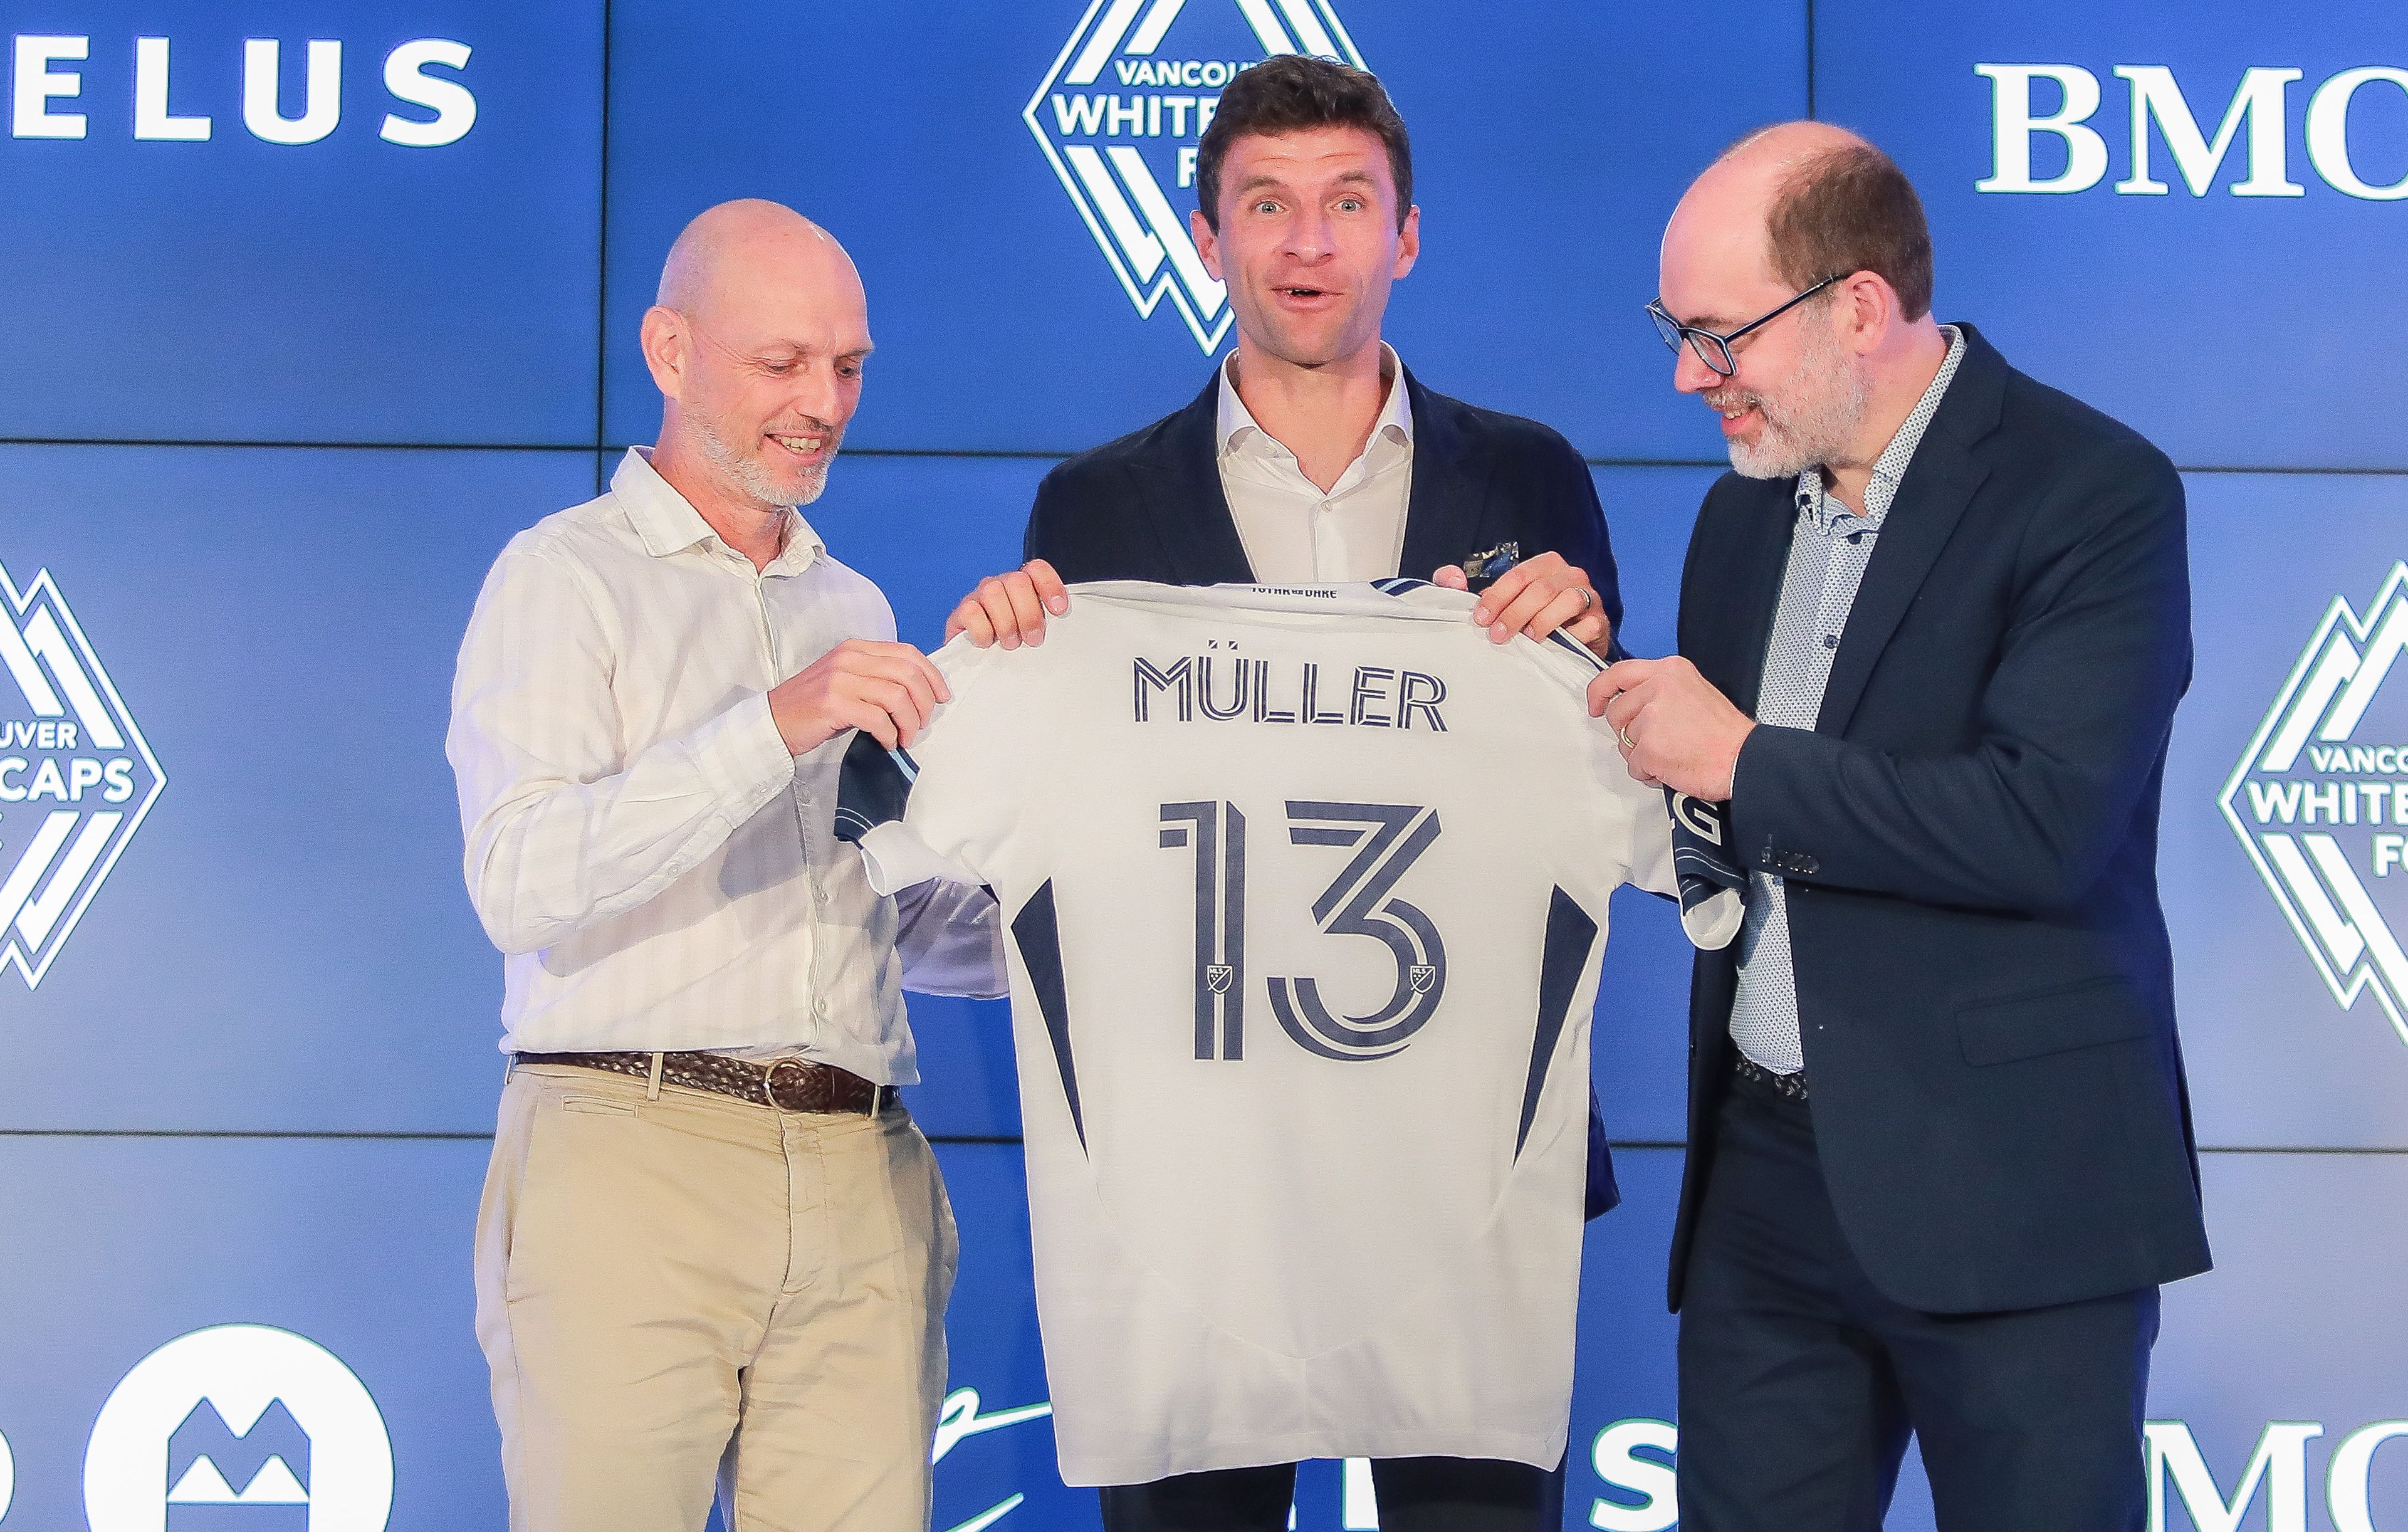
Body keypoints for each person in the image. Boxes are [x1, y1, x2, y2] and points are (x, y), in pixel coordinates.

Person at [945, 55, 1615, 1532]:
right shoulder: (1094, 506)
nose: (1308, 243)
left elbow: (1602, 770)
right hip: (1196, 1176)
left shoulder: (1533, 479)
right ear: (1207, 238)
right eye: (1266, 205)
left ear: (1408, 235)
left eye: (1347, 204)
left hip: (1463, 1163)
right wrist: (998, 656)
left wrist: (1592, 656)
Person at [1588, 123, 2211, 1532]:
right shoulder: (1738, 521)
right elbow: (1720, 822)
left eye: (1718, 336)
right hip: (1762, 1188)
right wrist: (1572, 687)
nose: (1691, 376)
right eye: (1676, 334)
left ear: (1857, 308)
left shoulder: (2093, 491)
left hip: (2017, 1193)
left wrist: (1739, 758)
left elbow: (2041, 823)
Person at [447, 199, 1003, 1532]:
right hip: (631, 1148)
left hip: (862, 1162)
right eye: (782, 363)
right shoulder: (562, 577)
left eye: (848, 366)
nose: (824, 403)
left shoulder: (850, 606)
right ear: (670, 350)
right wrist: (771, 724)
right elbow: (518, 881)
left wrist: (1080, 907)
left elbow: (885, 917)